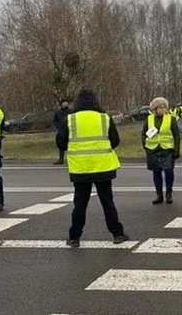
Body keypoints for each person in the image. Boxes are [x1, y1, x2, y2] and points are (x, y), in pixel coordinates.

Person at [56, 89, 129, 248]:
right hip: (103, 166)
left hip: (80, 168)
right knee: (107, 202)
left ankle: (74, 237)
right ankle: (117, 234)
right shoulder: (104, 118)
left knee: (80, 204)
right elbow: (115, 140)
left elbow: (60, 143)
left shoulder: (71, 119)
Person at [142, 97, 181, 205]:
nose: (162, 109)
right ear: (155, 108)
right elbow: (144, 133)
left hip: (167, 149)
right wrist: (144, 145)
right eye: (160, 107)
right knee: (156, 172)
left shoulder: (170, 119)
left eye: (164, 107)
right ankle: (159, 194)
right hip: (153, 149)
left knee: (168, 171)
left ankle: (169, 193)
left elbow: (176, 135)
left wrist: (176, 149)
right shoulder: (149, 119)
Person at [52, 99, 72, 165]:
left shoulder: (71, 112)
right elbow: (54, 121)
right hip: (61, 131)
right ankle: (61, 159)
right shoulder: (58, 113)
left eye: (66, 103)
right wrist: (58, 126)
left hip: (69, 130)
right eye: (63, 103)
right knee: (61, 145)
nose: (65, 104)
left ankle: (70, 160)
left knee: (70, 145)